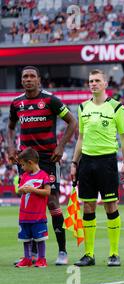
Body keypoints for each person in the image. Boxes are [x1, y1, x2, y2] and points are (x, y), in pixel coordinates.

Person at [7, 66, 77, 266]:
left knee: (52, 202)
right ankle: (34, 254)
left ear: (39, 80)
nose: (28, 79)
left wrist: (61, 147)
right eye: (25, 77)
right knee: (31, 202)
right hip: (25, 161)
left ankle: (62, 251)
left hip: (47, 159)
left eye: (32, 76)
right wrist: (11, 149)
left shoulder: (51, 100)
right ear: (22, 81)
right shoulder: (16, 103)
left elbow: (72, 122)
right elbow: (10, 127)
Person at [70, 69, 124, 267]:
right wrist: (74, 162)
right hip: (87, 162)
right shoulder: (82, 107)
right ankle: (89, 254)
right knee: (87, 206)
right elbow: (80, 138)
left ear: (105, 84)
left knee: (110, 205)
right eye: (90, 81)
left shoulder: (116, 107)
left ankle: (114, 253)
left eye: (97, 80)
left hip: (107, 161)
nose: (93, 84)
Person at [15, 148, 51, 268]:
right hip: (24, 215)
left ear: (30, 162)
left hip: (38, 215)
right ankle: (27, 259)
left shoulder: (43, 176)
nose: (22, 168)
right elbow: (19, 190)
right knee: (25, 239)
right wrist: (21, 189)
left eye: (23, 165)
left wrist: (32, 190)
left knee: (40, 238)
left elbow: (47, 192)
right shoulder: (24, 176)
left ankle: (42, 259)